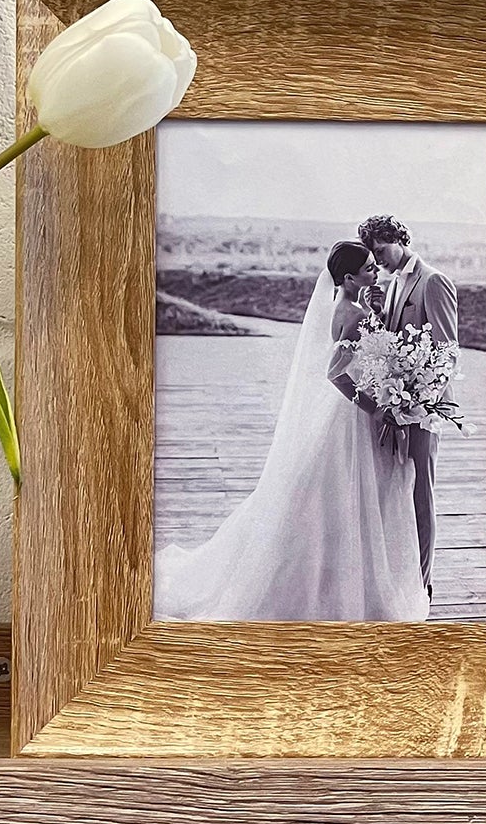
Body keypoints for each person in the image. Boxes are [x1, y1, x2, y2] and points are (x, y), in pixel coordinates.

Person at [153, 239, 428, 622]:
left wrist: (374, 313)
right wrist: (376, 408)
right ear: (348, 278)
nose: (375, 271)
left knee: (347, 499)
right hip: (352, 418)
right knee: (341, 498)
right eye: (367, 268)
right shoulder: (349, 314)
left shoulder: (353, 306)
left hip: (354, 415)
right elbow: (335, 374)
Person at [356, 214, 459, 598]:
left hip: (424, 409)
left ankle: (422, 583)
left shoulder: (432, 282)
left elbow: (448, 352)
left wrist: (419, 402)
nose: (377, 260)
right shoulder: (393, 282)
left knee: (420, 492)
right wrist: (379, 313)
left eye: (380, 251)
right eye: (372, 254)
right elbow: (396, 342)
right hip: (398, 405)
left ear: (398, 239)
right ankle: (404, 575)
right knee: (400, 490)